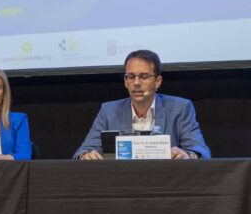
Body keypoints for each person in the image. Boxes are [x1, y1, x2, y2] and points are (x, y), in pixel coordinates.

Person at [74, 50, 211, 160]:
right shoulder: (108, 110)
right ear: (125, 81)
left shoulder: (180, 108)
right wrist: (85, 156)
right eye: (131, 76)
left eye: (144, 76)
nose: (136, 83)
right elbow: (83, 151)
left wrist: (187, 156)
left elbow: (200, 151)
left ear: (157, 81)